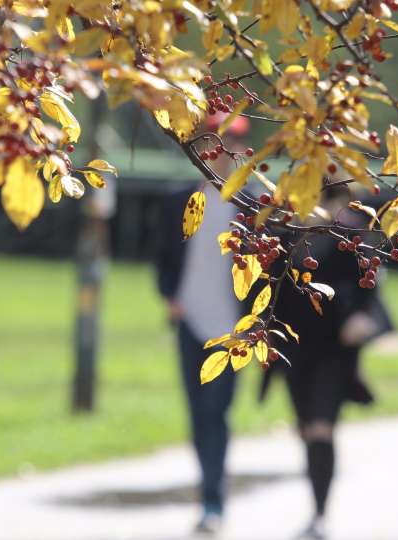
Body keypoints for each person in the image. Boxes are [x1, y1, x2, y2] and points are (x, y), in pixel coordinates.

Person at [261, 188, 393, 539]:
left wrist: (363, 317)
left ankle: (320, 515)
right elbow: (267, 290)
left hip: (334, 351)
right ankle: (316, 506)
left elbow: (370, 284)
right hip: (294, 348)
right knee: (307, 429)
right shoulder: (282, 235)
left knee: (321, 427)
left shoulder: (349, 238)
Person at [154, 114, 250, 534]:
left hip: (233, 331)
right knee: (198, 416)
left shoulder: (253, 207)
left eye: (231, 142)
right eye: (215, 142)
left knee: (217, 413)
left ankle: (214, 502)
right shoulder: (180, 200)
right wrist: (171, 297)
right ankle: (208, 493)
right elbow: (162, 255)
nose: (223, 151)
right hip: (190, 324)